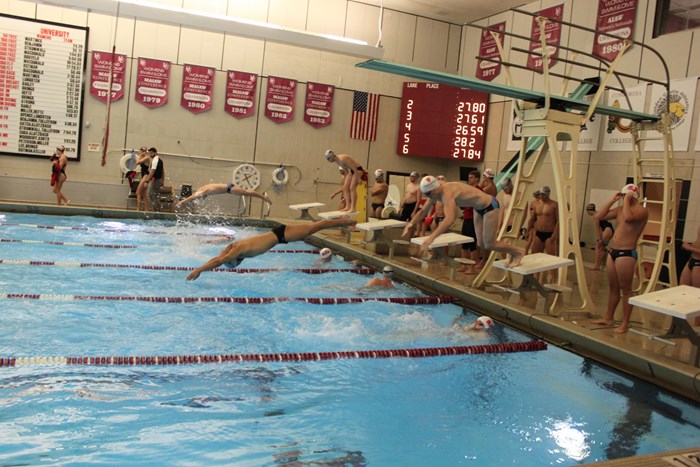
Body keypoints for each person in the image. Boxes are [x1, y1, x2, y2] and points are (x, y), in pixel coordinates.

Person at [403, 176, 525, 267]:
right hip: (478, 209)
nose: (428, 197)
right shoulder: (436, 191)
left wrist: (431, 237)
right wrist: (411, 223)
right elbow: (423, 211)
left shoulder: (447, 194)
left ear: (433, 190)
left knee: (489, 244)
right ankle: (513, 253)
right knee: (481, 244)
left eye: (428, 194)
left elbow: (449, 219)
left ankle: (518, 252)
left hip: (490, 206)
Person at [186, 217, 357, 280]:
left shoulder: (237, 251)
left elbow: (219, 260)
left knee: (315, 227)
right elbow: (219, 257)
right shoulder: (235, 247)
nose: (238, 266)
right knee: (314, 228)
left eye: (235, 264)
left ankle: (346, 221)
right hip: (279, 235)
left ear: (235, 261)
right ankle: (344, 223)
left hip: (281, 235)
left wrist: (199, 270)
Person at [591, 184, 648, 333]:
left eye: (624, 196)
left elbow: (629, 218)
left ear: (632, 196)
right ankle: (608, 317)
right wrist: (612, 200)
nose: (623, 199)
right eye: (622, 196)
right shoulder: (619, 210)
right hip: (613, 252)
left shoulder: (642, 210)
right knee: (613, 287)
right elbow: (598, 216)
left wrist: (628, 199)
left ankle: (625, 323)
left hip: (627, 253)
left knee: (626, 290)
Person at [175, 183, 271, 209]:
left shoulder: (202, 191)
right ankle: (263, 197)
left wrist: (182, 202)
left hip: (230, 189)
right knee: (246, 192)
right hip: (229, 188)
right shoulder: (203, 189)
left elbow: (194, 196)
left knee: (246, 192)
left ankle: (263, 197)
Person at [458, 170, 481, 273]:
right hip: (466, 218)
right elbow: (463, 205)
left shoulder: (479, 190)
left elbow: (477, 204)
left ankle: (473, 267)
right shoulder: (468, 189)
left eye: (471, 177)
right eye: (469, 177)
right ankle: (464, 265)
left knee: (472, 244)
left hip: (474, 219)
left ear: (477, 178)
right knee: (464, 244)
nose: (469, 179)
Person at [527, 186, 558, 258]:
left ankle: (553, 270)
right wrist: (528, 230)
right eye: (540, 194)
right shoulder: (536, 204)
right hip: (538, 233)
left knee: (551, 259)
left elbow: (558, 221)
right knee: (534, 257)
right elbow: (532, 219)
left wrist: (555, 234)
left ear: (548, 194)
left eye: (543, 194)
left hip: (550, 234)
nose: (541, 196)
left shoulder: (554, 205)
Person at [586, 203, 615, 270]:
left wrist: (599, 239)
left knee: (597, 245)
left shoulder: (595, 216)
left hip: (607, 230)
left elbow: (598, 229)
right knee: (601, 246)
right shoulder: (599, 213)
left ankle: (597, 265)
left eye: (587, 211)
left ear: (589, 211)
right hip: (609, 229)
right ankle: (599, 265)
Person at [143, 147, 164, 211]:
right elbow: (163, 172)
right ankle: (157, 209)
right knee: (155, 195)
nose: (150, 154)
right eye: (149, 153)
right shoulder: (159, 160)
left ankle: (157, 210)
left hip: (156, 180)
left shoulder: (155, 160)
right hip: (158, 180)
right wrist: (163, 180)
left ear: (155, 153)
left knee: (151, 195)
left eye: (151, 153)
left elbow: (152, 172)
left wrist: (147, 181)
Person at [133, 147, 152, 211]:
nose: (140, 152)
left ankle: (138, 209)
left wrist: (140, 155)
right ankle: (146, 209)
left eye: (143, 151)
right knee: (144, 194)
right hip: (144, 176)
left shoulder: (147, 158)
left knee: (138, 192)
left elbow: (137, 163)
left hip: (145, 177)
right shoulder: (144, 158)